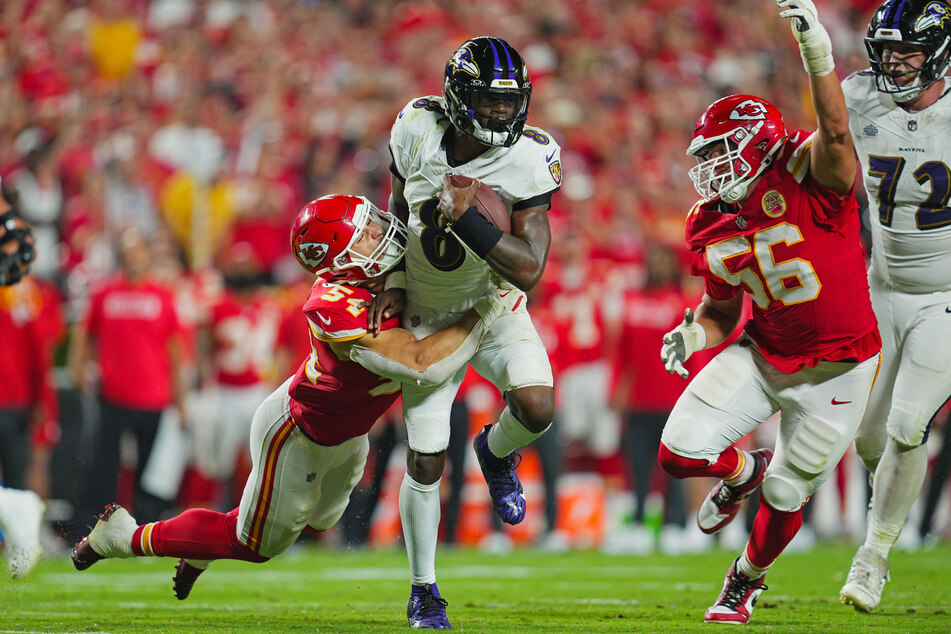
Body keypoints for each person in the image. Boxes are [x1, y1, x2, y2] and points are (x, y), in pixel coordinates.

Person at [71, 194, 522, 602]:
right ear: (341, 261)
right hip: (300, 434)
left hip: (349, 435)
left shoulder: (394, 271)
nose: (381, 231)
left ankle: (203, 543)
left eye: (373, 222)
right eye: (364, 235)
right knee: (252, 544)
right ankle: (124, 535)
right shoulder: (332, 304)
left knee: (322, 521)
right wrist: (486, 308)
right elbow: (422, 360)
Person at [656, 0, 882, 624]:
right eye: (703, 156)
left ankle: (743, 582)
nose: (709, 167)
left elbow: (837, 132)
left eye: (720, 151)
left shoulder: (807, 172)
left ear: (757, 143)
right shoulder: (707, 222)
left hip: (840, 366)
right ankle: (740, 470)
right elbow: (720, 311)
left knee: (786, 492)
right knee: (678, 454)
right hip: (763, 354)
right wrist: (693, 332)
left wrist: (815, 50)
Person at [369, 36, 562, 628]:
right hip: (429, 314)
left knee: (537, 407)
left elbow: (530, 269)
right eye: (488, 101)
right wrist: (395, 276)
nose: (501, 114)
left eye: (510, 103)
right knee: (425, 459)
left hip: (493, 303)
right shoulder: (415, 127)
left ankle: (494, 452)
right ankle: (424, 589)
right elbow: (400, 203)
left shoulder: (532, 157)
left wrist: (468, 218)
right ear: (457, 97)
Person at [838, 0, 951, 613]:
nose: (893, 61)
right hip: (881, 289)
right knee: (870, 440)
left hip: (948, 297)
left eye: (906, 49)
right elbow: (825, 150)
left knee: (910, 424)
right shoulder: (861, 98)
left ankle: (874, 556)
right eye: (885, 49)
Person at [68, 227, 188, 532]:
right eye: (128, 251)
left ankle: (147, 530)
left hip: (154, 396)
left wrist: (181, 397)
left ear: (148, 255)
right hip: (113, 395)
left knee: (150, 472)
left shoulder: (162, 295)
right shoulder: (105, 293)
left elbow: (175, 349)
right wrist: (77, 365)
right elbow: (84, 331)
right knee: (104, 465)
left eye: (138, 251)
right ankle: (98, 526)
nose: (133, 257)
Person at [0, 181, 47, 579]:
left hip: (10, 395)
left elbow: (37, 349)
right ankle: (14, 508)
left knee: (16, 472)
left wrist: (41, 402)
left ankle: (15, 510)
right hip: (12, 392)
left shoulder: (18, 287)